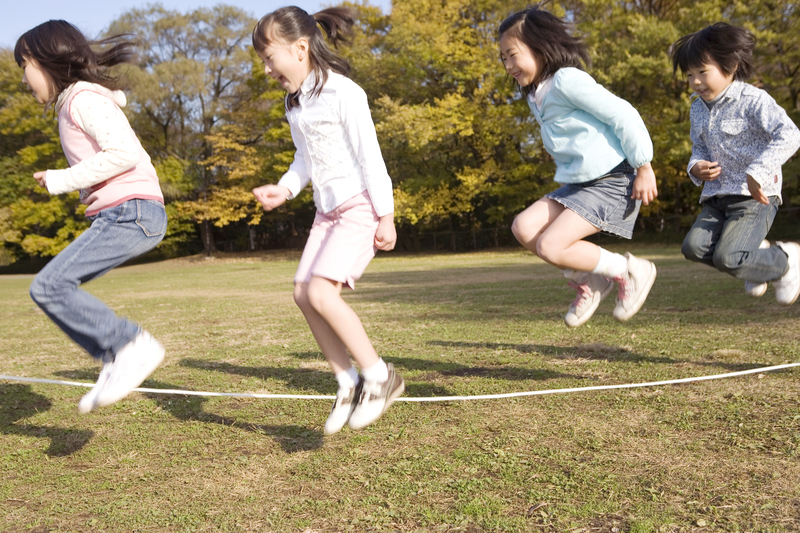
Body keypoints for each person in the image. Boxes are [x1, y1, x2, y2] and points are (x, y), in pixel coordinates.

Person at [251, 6, 403, 434]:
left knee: (321, 291)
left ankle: (380, 376)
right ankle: (347, 382)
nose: (267, 69)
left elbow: (370, 159)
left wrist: (386, 216)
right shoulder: (295, 102)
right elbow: (305, 158)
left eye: (269, 57)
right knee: (303, 293)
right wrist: (284, 188)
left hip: (359, 207)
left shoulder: (344, 93)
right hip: (326, 210)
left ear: (299, 48)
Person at [16, 21, 168, 413]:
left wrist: (61, 179)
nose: (23, 79)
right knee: (51, 287)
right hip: (124, 213)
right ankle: (117, 356)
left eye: (25, 66)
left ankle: (129, 345)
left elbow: (124, 153)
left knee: (49, 286)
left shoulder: (82, 98)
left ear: (47, 61)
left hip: (132, 212)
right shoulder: (75, 102)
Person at [498, 5, 658, 328]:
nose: (508, 65)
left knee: (550, 244)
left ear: (540, 45)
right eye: (503, 58)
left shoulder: (567, 81)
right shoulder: (535, 95)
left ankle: (629, 269)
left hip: (614, 180)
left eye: (512, 54)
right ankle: (592, 279)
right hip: (580, 185)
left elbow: (622, 114)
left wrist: (644, 165)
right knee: (523, 227)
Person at [669, 23, 800, 304]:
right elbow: (700, 147)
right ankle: (753, 258)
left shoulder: (754, 100)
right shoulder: (697, 108)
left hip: (753, 198)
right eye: (690, 75)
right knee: (693, 247)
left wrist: (758, 172)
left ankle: (787, 261)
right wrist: (696, 166)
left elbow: (790, 135)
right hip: (717, 196)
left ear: (730, 65)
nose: (695, 81)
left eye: (702, 72)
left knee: (728, 257)